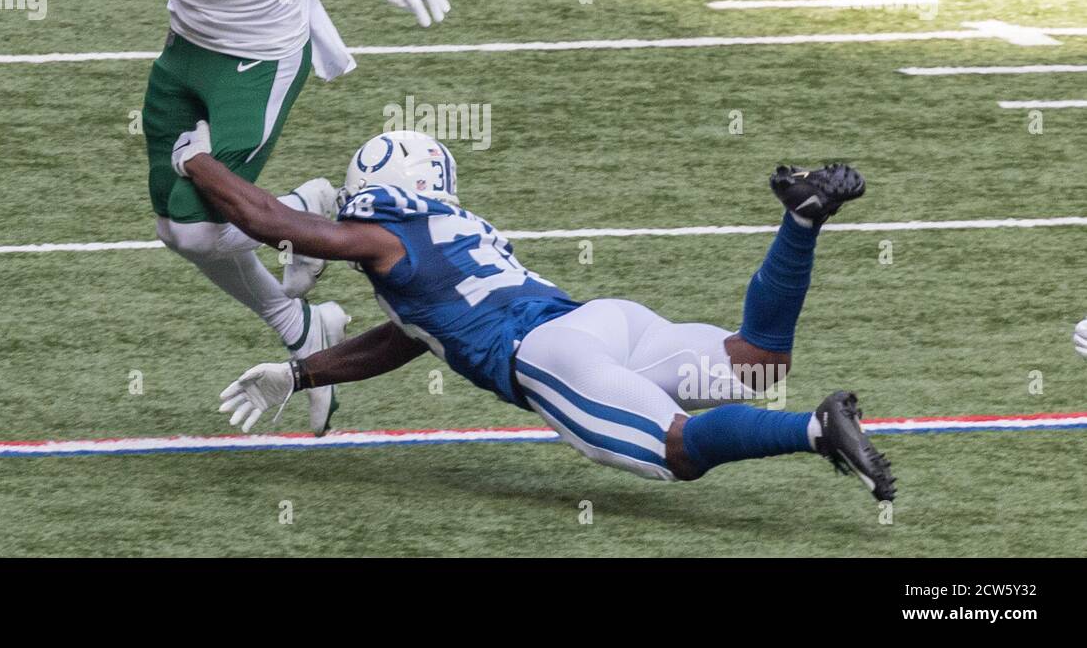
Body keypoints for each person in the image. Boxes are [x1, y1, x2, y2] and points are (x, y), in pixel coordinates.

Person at [28, 0, 450, 434]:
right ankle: (301, 319)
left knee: (200, 232)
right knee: (174, 227)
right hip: (186, 41)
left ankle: (310, 215)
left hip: (264, 49)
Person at [170, 124, 896, 501]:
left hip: (551, 357)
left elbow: (272, 222)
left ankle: (814, 430)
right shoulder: (456, 231)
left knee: (677, 452)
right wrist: (302, 374)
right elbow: (416, 336)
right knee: (757, 365)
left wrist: (194, 160)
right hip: (608, 322)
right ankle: (799, 224)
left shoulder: (385, 235)